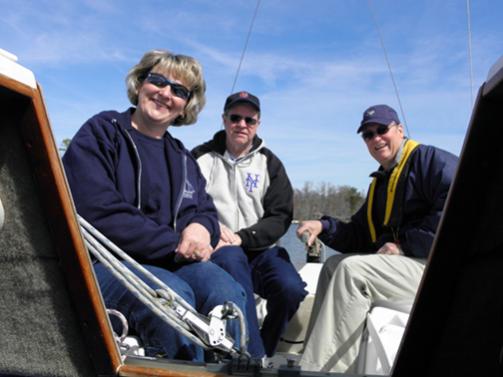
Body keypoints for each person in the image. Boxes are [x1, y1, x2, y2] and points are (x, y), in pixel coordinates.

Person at [62, 50, 247, 361]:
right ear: (141, 82)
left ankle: (238, 364)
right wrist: (179, 244)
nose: (165, 93)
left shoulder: (182, 157)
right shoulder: (102, 132)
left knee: (225, 292)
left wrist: (202, 228)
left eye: (178, 91)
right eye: (158, 81)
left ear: (186, 105)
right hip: (101, 265)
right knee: (174, 297)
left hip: (167, 262)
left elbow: (204, 210)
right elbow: (97, 212)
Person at [297, 104, 458, 373]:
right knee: (332, 266)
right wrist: (324, 226)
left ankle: (321, 372)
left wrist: (404, 245)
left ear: (399, 130)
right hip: (411, 265)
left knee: (352, 271)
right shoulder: (382, 182)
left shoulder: (430, 162)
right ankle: (310, 360)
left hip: (437, 268)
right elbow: (360, 234)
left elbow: (457, 210)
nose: (376, 138)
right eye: (368, 135)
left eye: (382, 130)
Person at [191, 91, 307, 360]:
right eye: (235, 118)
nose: (242, 124)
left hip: (261, 250)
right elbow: (186, 208)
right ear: (224, 120)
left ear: (257, 124)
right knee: (233, 262)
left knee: (291, 289)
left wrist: (244, 237)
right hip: (218, 249)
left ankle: (263, 349)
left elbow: (280, 216)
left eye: (249, 120)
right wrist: (212, 233)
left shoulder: (270, 164)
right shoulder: (199, 158)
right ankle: (251, 357)